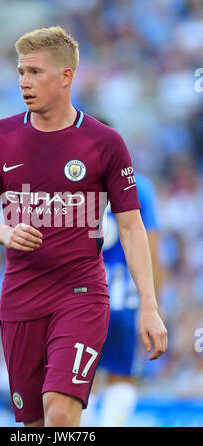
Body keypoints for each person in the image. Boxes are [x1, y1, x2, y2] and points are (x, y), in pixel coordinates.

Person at [0, 26, 167, 427]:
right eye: (21, 72)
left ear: (66, 76)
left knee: (60, 410)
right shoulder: (1, 136)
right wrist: (5, 232)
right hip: (20, 298)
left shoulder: (105, 143)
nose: (24, 82)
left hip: (81, 295)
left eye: (35, 72)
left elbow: (132, 228)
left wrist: (150, 305)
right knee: (35, 425)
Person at [81, 146, 163, 426]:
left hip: (85, 300)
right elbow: (151, 249)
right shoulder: (139, 186)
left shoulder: (75, 184)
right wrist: (153, 305)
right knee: (123, 377)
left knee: (81, 378)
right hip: (125, 300)